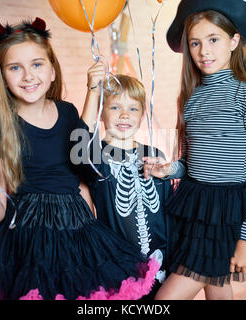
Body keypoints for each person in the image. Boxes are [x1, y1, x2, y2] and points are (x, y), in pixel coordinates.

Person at [0, 17, 158, 300]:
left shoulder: (68, 113)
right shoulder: (0, 131)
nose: (28, 76)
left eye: (37, 64)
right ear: (4, 77)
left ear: (53, 70)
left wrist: (94, 89)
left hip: (79, 231)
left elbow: (82, 165)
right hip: (27, 240)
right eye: (15, 68)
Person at [143, 0, 246, 300]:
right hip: (194, 203)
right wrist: (170, 168)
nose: (204, 51)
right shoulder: (191, 98)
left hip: (228, 212)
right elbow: (195, 161)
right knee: (216, 286)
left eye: (213, 39)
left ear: (234, 40)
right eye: (195, 43)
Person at [73, 67, 172, 299]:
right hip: (118, 266)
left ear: (142, 114)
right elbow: (78, 146)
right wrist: (94, 90)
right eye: (115, 107)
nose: (124, 115)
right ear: (101, 113)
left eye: (133, 108)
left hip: (161, 261)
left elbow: (168, 210)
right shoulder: (95, 156)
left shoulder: (154, 154)